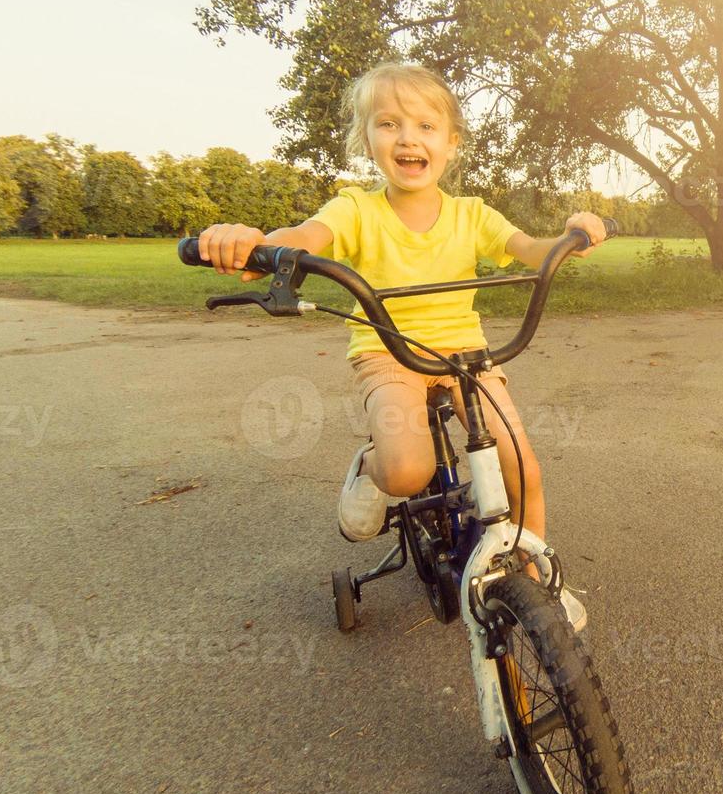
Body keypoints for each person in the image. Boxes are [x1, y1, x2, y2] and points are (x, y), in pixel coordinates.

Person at [195, 62, 607, 630]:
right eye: (388, 124)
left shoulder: (472, 214)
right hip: (388, 353)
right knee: (408, 473)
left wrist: (570, 237)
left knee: (522, 466)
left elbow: (530, 247)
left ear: (451, 143)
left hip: (464, 354)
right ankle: (370, 467)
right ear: (367, 140)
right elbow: (306, 239)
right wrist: (256, 243)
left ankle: (536, 580)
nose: (408, 137)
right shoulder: (355, 209)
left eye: (425, 125)